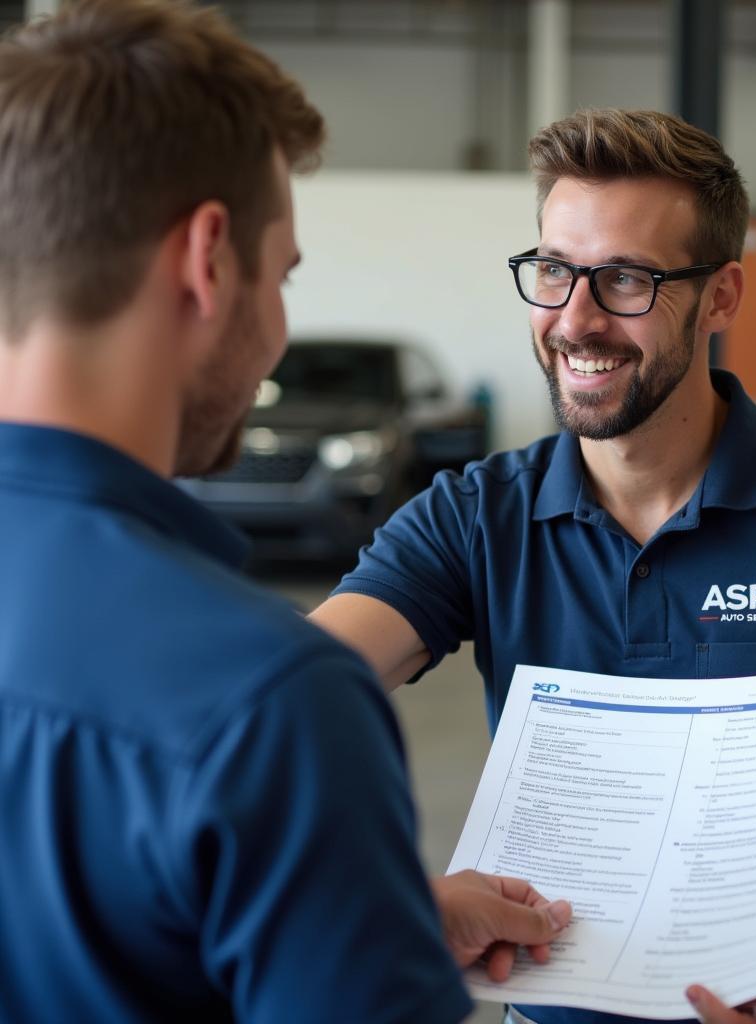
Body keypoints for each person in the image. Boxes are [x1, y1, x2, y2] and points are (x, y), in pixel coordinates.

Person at [310, 108, 756, 1024]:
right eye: (554, 271)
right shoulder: (477, 518)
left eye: (627, 279)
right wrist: (403, 894)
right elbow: (273, 710)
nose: (576, 320)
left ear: (720, 297)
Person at [0, 2, 571, 1021]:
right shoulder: (268, 700)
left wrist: (351, 913)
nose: (277, 327)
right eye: (283, 276)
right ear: (208, 259)